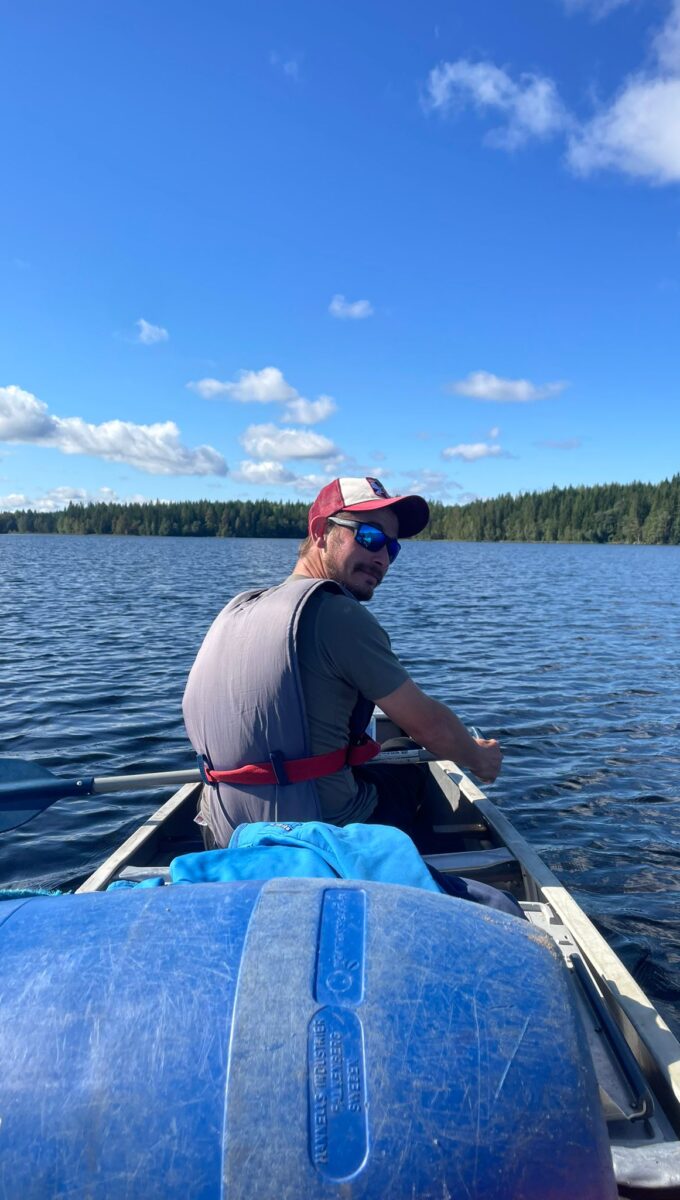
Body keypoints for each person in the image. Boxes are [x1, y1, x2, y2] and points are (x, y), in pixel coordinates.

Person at [182, 476, 502, 849]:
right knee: (405, 755)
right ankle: (415, 858)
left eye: (392, 548)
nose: (382, 558)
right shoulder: (338, 614)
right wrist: (479, 757)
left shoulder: (235, 610)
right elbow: (432, 729)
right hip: (321, 833)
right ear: (321, 532)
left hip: (224, 832)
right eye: (370, 537)